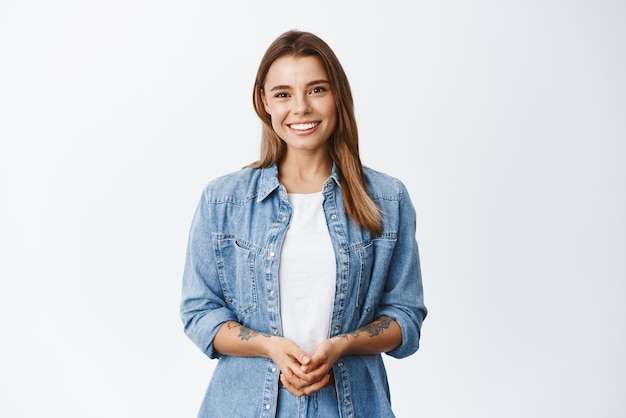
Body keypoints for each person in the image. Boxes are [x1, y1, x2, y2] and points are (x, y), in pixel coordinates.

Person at [180, 29, 427, 418]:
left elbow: (405, 319)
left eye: (316, 90)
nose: (300, 108)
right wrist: (269, 346)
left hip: (352, 407)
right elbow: (200, 313)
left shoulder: (387, 199)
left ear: (337, 96)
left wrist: (341, 345)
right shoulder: (223, 201)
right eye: (283, 94)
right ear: (264, 102)